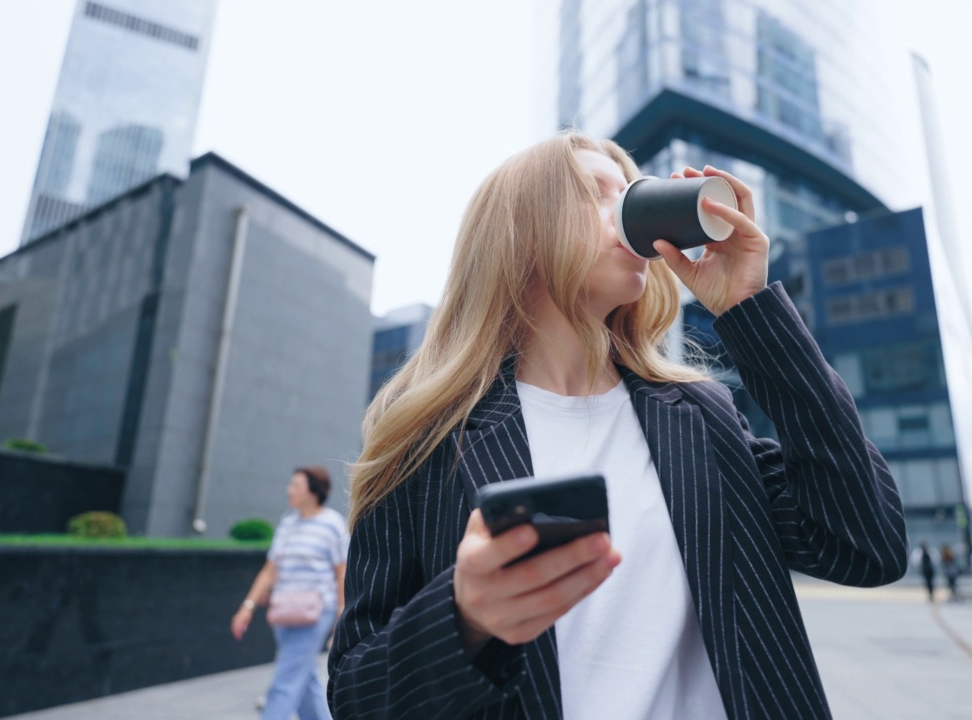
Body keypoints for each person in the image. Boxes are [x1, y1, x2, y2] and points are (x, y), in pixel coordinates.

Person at [327, 132, 908, 719]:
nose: (631, 208)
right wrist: (464, 619)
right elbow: (355, 694)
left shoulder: (701, 417)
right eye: (594, 191)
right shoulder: (428, 441)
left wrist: (749, 311)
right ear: (519, 234)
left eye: (631, 192)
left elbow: (865, 547)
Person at [232, 466, 349, 720]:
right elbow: (270, 569)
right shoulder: (288, 522)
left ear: (313, 491)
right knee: (302, 677)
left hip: (315, 612)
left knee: (285, 680)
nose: (289, 490)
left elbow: (342, 571)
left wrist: (342, 612)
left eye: (296, 485)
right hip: (283, 612)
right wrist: (247, 606)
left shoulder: (332, 524)